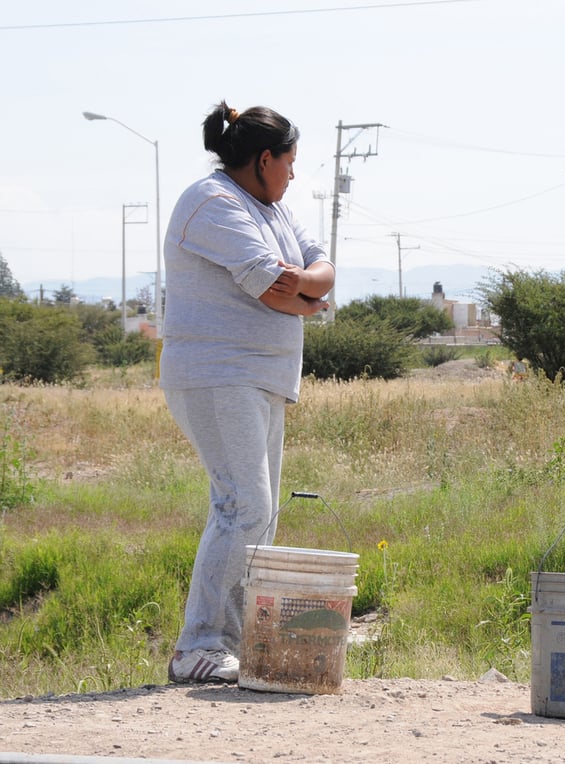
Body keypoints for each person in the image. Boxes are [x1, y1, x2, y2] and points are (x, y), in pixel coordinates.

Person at [160, 101, 335, 684]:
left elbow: (320, 270)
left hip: (264, 377)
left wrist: (307, 288)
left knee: (255, 515)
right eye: (289, 162)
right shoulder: (210, 203)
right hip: (217, 374)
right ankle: (198, 646)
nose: (293, 174)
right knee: (245, 509)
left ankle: (224, 647)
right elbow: (271, 290)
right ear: (264, 159)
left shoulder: (273, 209)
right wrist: (304, 293)